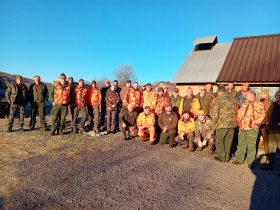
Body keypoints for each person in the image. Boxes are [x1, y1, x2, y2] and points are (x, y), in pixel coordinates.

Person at [232, 91, 266, 169]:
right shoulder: (245, 104)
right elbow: (239, 113)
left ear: (252, 96)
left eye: (247, 96)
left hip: (252, 128)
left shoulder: (259, 104)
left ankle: (250, 162)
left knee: (251, 145)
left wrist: (254, 123)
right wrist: (239, 122)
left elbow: (263, 115)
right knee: (241, 144)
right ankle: (240, 159)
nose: (245, 97)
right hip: (242, 128)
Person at [211, 85, 238, 162]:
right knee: (228, 141)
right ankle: (227, 157)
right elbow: (237, 110)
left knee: (219, 140)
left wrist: (213, 123)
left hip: (222, 123)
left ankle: (222, 157)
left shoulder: (218, 98)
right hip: (232, 123)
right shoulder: (233, 98)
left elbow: (215, 112)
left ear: (219, 92)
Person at [260, 91, 280, 171]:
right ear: (275, 96)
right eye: (277, 95)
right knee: (272, 148)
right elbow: (268, 114)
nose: (279, 96)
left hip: (279, 131)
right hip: (271, 130)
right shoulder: (273, 105)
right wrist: (267, 121)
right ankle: (270, 164)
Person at [259, 89, 273, 158]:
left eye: (262, 94)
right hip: (260, 124)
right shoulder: (261, 102)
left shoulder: (270, 103)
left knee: (267, 140)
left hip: (267, 124)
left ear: (267, 95)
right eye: (260, 94)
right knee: (264, 140)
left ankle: (268, 156)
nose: (261, 95)